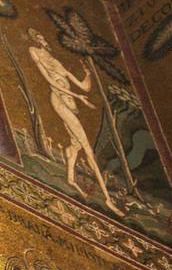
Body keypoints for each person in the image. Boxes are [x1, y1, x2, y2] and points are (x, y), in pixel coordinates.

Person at [28, 28, 119, 211]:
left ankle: (70, 179)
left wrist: (88, 73)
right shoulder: (35, 52)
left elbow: (84, 87)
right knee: (86, 147)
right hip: (60, 99)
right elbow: (52, 82)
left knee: (76, 145)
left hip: (72, 102)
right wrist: (76, 97)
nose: (43, 39)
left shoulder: (57, 62)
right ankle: (109, 200)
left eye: (43, 36)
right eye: (39, 37)